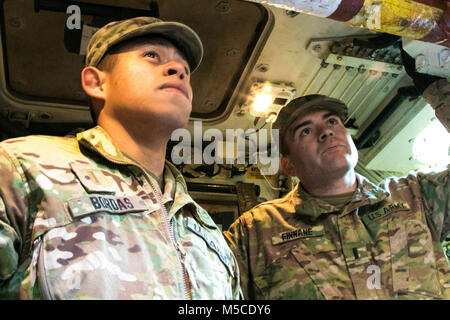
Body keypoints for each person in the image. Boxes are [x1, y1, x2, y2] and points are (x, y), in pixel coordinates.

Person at [0, 17, 241, 300]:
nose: (179, 71)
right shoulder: (21, 165)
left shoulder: (205, 227)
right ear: (96, 82)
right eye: (152, 56)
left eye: (185, 70)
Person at [224, 78, 449, 300]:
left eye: (332, 122)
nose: (326, 132)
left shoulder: (417, 194)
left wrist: (437, 89)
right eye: (305, 131)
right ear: (289, 165)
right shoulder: (255, 230)